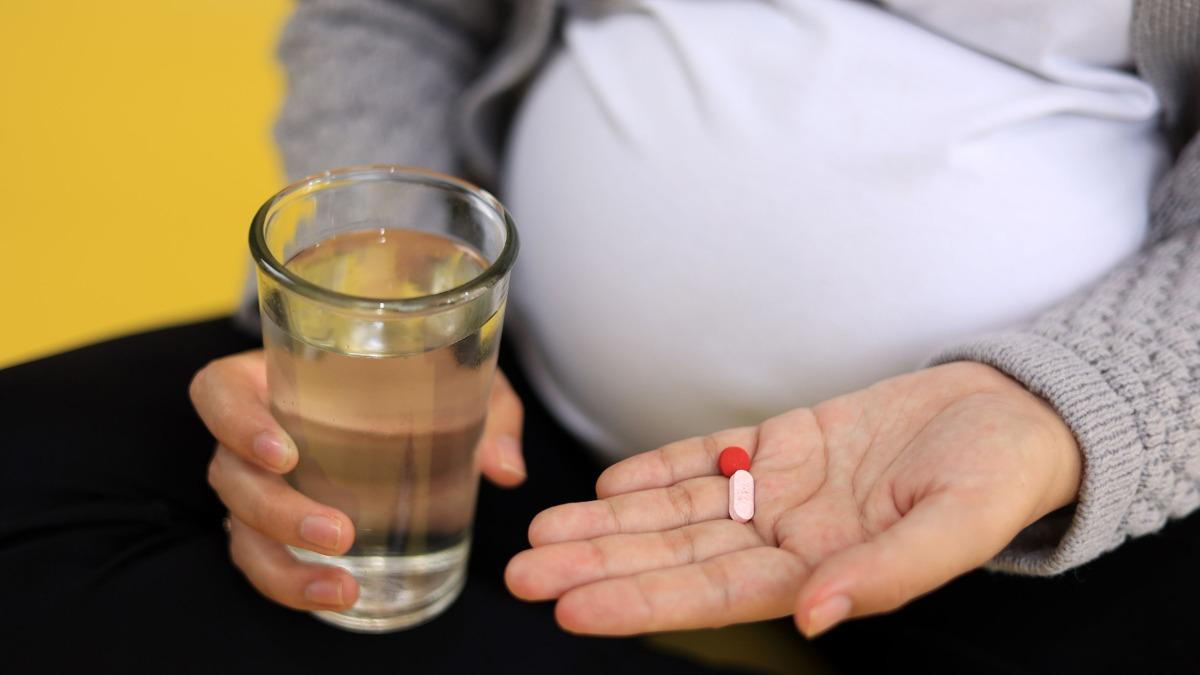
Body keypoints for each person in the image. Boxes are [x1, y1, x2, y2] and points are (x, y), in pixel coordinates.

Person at [4, 1, 1200, 673]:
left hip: (1027, 508)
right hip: (489, 425)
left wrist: (1067, 413)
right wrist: (380, 310)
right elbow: (396, 15)